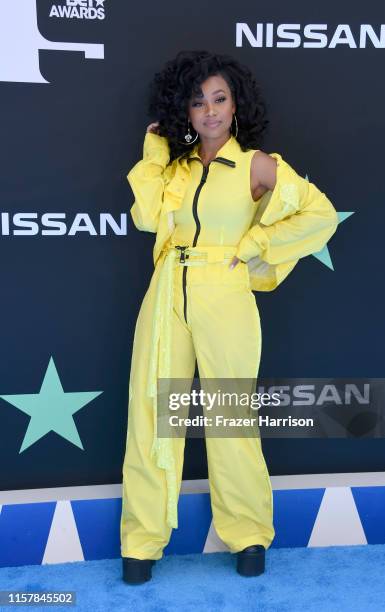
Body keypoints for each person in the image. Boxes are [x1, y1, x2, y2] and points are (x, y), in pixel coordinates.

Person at [120, 50, 338, 584]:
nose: (210, 111)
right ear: (184, 112)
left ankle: (248, 535)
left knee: (229, 414)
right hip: (168, 289)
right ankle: (142, 542)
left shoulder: (257, 165)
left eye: (219, 99)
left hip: (226, 290)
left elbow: (321, 216)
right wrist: (153, 148)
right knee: (151, 412)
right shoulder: (174, 168)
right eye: (198, 103)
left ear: (236, 104)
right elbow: (148, 216)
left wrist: (258, 241)